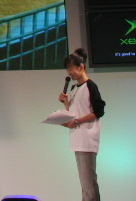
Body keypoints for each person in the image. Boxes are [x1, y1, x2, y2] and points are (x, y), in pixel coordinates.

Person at [58, 48, 106, 201]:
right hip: (77, 139)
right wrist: (65, 103)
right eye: (67, 70)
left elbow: (99, 111)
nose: (69, 72)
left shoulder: (90, 86)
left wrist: (77, 121)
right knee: (84, 183)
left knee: (89, 182)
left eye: (71, 68)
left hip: (87, 139)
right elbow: (73, 113)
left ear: (81, 66)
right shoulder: (73, 88)